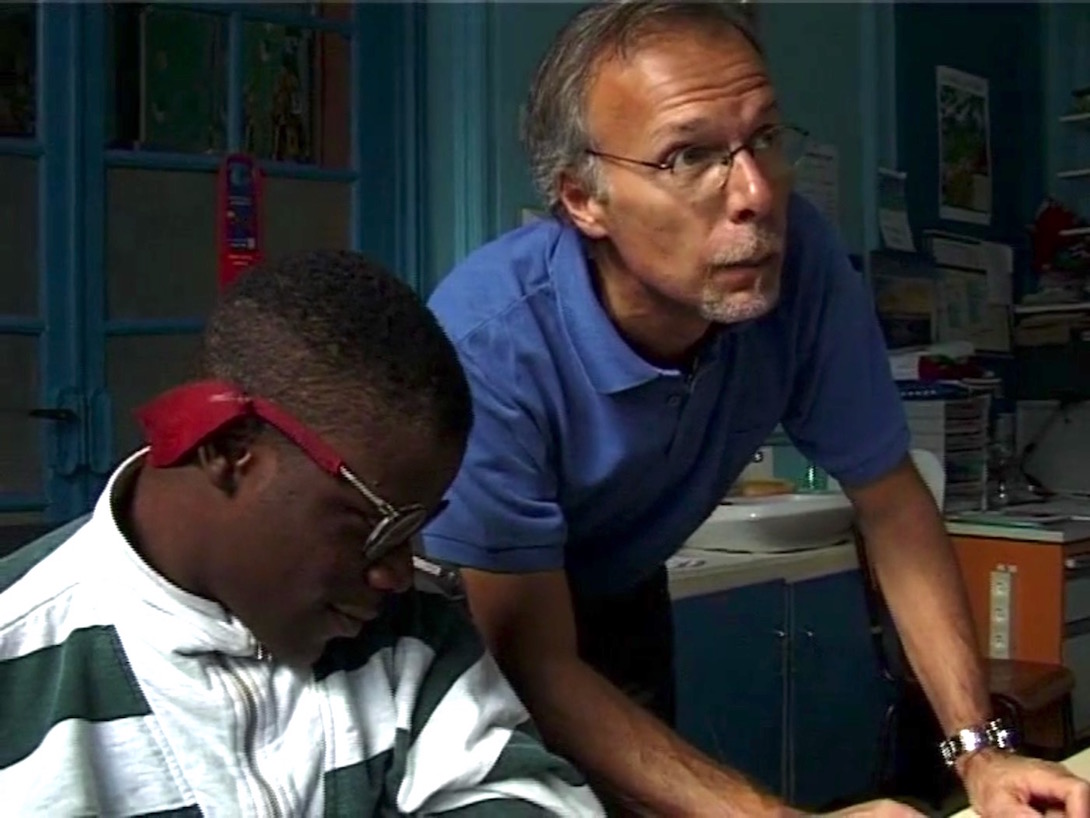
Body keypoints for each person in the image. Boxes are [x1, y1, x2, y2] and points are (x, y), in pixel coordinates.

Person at [422, 2, 1090, 816]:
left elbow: (893, 504)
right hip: (473, 618)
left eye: (764, 137)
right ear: (582, 199)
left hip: (622, 588)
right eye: (688, 155)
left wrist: (979, 753)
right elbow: (535, 659)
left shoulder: (802, 263)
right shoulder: (489, 341)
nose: (756, 193)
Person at [0, 250, 604, 816]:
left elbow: (525, 797)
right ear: (230, 451)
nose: (397, 575)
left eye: (416, 530)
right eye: (378, 525)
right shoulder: (21, 660)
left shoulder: (416, 639)